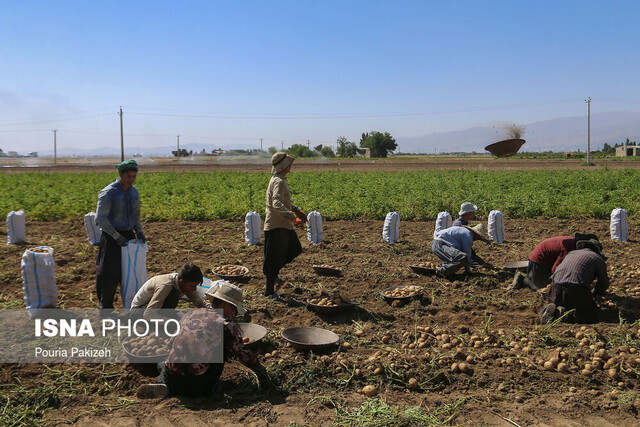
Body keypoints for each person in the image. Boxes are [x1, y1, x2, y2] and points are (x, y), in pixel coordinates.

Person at [137, 282, 269, 398]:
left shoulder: (190, 314)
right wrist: (261, 371)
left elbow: (171, 343)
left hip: (171, 377)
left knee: (166, 360)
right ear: (224, 304)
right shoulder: (225, 325)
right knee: (222, 351)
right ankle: (214, 388)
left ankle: (164, 385)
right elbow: (242, 354)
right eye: (234, 308)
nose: (234, 313)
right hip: (198, 385)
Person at [95, 160, 145, 309]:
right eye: (128, 176)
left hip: (129, 236)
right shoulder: (109, 192)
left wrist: (140, 232)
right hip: (111, 237)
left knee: (130, 273)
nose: (131, 179)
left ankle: (132, 306)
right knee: (109, 275)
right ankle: (105, 307)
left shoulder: (133, 192)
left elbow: (136, 215)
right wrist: (116, 236)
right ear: (120, 174)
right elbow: (100, 219)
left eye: (134, 176)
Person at [262, 152, 306, 299]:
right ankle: (269, 291)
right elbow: (276, 204)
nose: (290, 166)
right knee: (275, 258)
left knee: (294, 249)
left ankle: (273, 274)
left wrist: (296, 209)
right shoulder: (278, 181)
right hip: (277, 226)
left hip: (282, 224)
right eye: (288, 164)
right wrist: (294, 218)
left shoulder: (279, 179)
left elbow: (283, 201)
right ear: (283, 165)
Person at [539, 238, 609, 324]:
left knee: (552, 301)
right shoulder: (597, 258)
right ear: (597, 250)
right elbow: (603, 283)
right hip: (576, 291)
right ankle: (565, 317)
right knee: (588, 314)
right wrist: (595, 293)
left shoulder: (571, 253)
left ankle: (547, 311)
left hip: (554, 288)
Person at [509, 233, 599, 291]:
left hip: (549, 260)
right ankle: (523, 279)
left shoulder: (574, 245)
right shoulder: (568, 249)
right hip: (539, 261)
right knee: (541, 289)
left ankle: (532, 276)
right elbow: (555, 269)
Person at [130, 262, 209, 320]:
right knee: (172, 296)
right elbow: (148, 314)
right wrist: (171, 322)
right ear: (181, 282)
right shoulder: (166, 286)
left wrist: (213, 310)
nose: (194, 289)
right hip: (139, 312)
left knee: (184, 317)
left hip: (156, 309)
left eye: (196, 286)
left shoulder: (185, 282)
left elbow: (198, 301)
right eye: (192, 286)